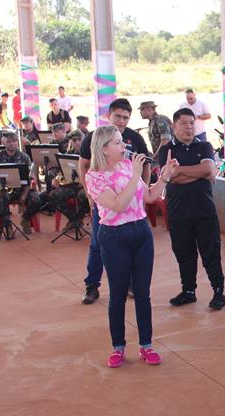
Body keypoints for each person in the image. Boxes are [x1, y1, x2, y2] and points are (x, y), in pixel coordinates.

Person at [84, 125, 171, 369]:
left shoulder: (126, 167)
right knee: (118, 295)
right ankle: (118, 347)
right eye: (118, 143)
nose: (125, 147)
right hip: (114, 236)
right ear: (103, 148)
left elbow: (151, 197)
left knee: (142, 293)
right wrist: (135, 174)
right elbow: (118, 205)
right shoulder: (94, 176)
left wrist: (164, 176)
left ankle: (146, 345)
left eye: (123, 142)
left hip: (140, 232)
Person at [79, 98, 151, 305]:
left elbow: (144, 166)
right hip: (107, 205)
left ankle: (129, 284)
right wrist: (90, 194)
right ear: (108, 116)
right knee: (97, 244)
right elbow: (83, 165)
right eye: (117, 116)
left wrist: (141, 192)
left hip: (131, 208)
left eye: (125, 118)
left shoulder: (135, 138)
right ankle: (92, 285)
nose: (121, 121)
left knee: (132, 249)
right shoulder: (95, 138)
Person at [156, 108, 225, 310]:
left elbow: (208, 170)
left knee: (211, 253)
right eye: (184, 123)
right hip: (178, 213)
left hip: (204, 211)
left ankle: (219, 292)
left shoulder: (204, 146)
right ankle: (188, 291)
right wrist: (199, 172)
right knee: (184, 254)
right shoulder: (166, 150)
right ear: (174, 126)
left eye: (191, 123)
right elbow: (167, 176)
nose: (189, 127)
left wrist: (177, 171)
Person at [0, 130, 41, 234]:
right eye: (9, 141)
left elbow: (29, 179)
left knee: (37, 200)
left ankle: (25, 219)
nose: (12, 143)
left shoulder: (24, 157)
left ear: (17, 142)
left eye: (14, 141)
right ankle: (7, 225)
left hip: (22, 190)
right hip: (4, 190)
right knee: (1, 198)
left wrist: (24, 196)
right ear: (3, 142)